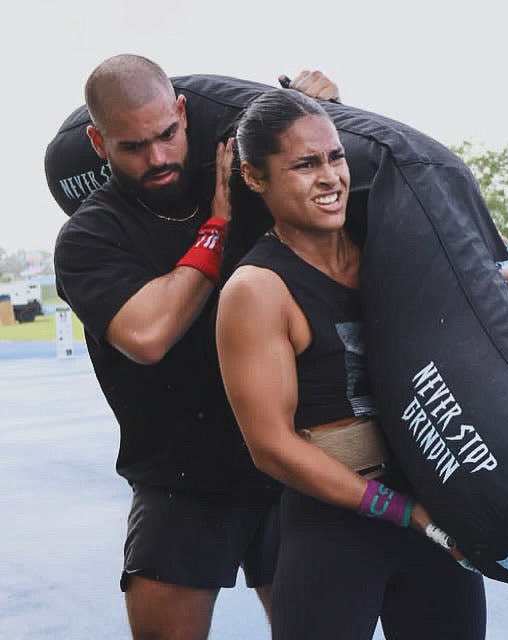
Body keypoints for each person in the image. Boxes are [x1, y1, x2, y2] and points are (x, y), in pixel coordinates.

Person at [216, 89, 508, 640]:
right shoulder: (258, 290)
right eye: (305, 165)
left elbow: (483, 364)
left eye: (336, 157)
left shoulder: (396, 248)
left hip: (440, 514)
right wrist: (406, 512)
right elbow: (271, 447)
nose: (330, 177)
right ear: (254, 176)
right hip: (336, 534)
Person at [53, 54, 340, 640]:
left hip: (289, 463)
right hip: (179, 478)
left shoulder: (253, 180)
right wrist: (216, 227)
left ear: (183, 112)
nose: (157, 157)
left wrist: (323, 112)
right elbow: (148, 335)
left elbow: (339, 198)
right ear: (98, 142)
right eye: (133, 147)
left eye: (166, 134)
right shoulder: (90, 235)